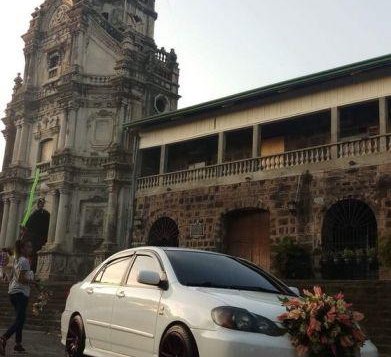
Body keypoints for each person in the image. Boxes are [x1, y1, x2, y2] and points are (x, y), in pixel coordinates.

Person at [0, 239, 35, 355]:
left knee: (20, 318)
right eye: (28, 247)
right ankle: (4, 338)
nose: (31, 249)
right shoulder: (24, 261)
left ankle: (18, 344)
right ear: (22, 249)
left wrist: (22, 235)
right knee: (20, 319)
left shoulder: (17, 259)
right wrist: (33, 281)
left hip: (13, 292)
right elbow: (21, 279)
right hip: (20, 292)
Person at [25, 198, 50, 272]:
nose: (41, 205)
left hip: (41, 238)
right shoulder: (35, 214)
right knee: (33, 255)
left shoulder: (45, 214)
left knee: (34, 255)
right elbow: (28, 225)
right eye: (40, 203)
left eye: (42, 203)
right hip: (36, 238)